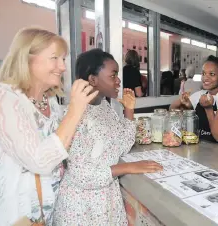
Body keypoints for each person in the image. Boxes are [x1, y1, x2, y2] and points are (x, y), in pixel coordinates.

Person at [0, 27, 97, 225]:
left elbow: (62, 147)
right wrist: (75, 110)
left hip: (46, 212)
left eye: (63, 59)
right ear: (26, 58)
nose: (62, 67)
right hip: (13, 215)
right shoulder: (2, 98)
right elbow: (39, 161)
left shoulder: (50, 100)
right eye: (54, 58)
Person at [52, 49, 163, 225]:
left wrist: (129, 110)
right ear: (93, 79)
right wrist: (127, 167)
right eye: (113, 75)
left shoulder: (104, 107)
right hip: (82, 208)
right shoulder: (74, 116)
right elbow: (81, 175)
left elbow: (122, 145)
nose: (119, 80)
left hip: (106, 201)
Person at [170, 56, 218, 142]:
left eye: (212, 74)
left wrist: (208, 108)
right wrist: (181, 102)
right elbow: (172, 110)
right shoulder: (199, 95)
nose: (205, 78)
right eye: (203, 73)